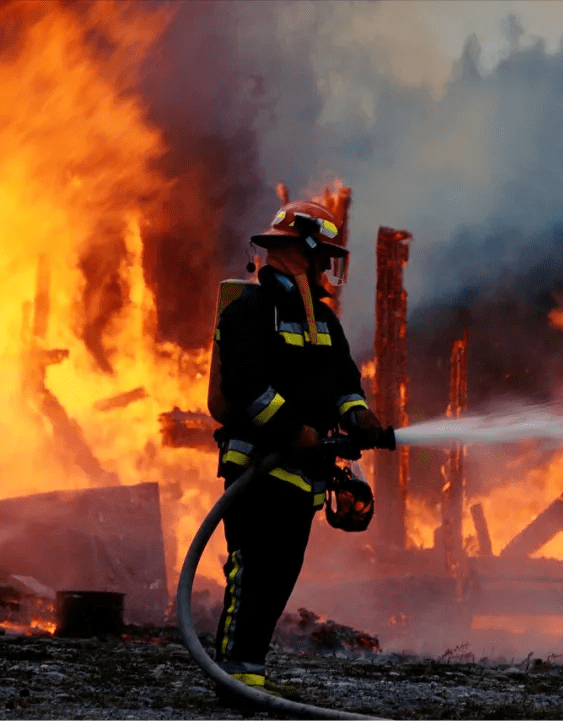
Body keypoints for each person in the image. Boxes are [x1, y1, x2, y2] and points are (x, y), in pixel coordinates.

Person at [211, 199, 387, 699]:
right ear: (300, 250)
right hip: (255, 466)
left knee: (281, 574)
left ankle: (249, 671)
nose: (327, 268)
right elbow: (248, 387)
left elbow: (343, 381)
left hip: (302, 475)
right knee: (252, 569)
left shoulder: (325, 324)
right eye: (322, 256)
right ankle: (234, 676)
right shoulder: (251, 311)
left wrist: (358, 415)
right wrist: (294, 432)